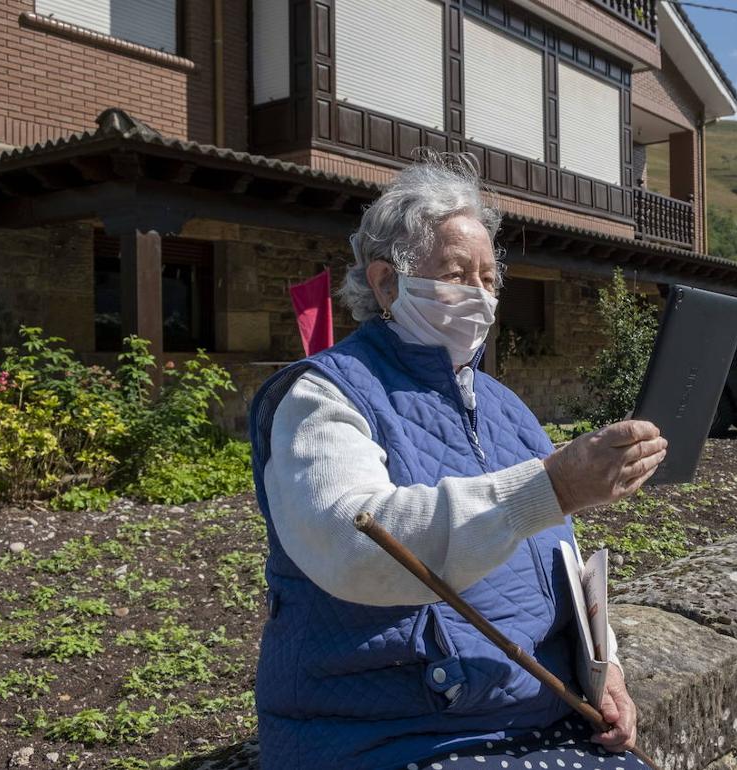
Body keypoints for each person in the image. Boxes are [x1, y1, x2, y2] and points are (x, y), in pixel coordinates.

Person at [248, 153, 668, 770]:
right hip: (389, 733)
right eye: (456, 273)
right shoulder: (324, 396)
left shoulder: (506, 406)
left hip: (536, 716)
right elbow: (352, 543)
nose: (479, 295)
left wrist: (604, 668)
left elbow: (560, 563)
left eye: (489, 278)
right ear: (387, 283)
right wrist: (550, 485)